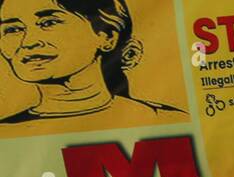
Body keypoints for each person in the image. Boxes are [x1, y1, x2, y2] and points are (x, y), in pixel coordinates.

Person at [0, 0, 186, 128]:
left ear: (107, 36)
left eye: (49, 22)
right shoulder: (6, 134)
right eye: (13, 29)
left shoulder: (167, 120)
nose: (28, 42)